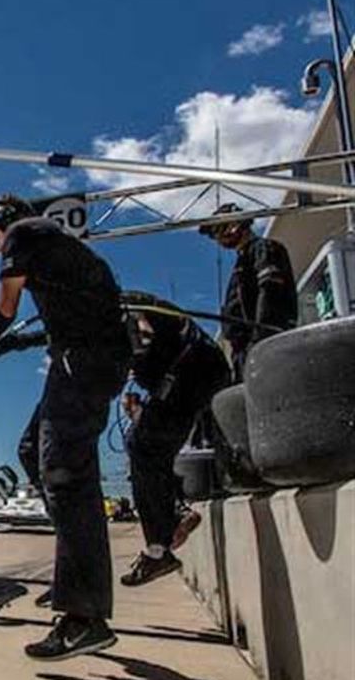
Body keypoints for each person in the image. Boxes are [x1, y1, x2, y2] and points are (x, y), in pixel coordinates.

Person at [0, 193, 130, 661]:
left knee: (64, 474)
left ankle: (84, 617)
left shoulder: (22, 233)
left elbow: (6, 307)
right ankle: (72, 575)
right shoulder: (54, 247)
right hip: (84, 360)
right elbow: (50, 322)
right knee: (33, 451)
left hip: (83, 364)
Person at [117, 291, 230, 586]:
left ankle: (158, 549)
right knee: (154, 448)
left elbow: (142, 332)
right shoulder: (126, 308)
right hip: (198, 374)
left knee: (140, 444)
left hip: (190, 373)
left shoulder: (121, 308)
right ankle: (176, 513)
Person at [199, 203, 297, 378]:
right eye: (214, 234)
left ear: (235, 225)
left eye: (218, 230)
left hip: (263, 347)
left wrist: (259, 340)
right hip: (244, 352)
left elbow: (270, 293)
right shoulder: (242, 261)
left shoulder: (264, 249)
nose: (217, 238)